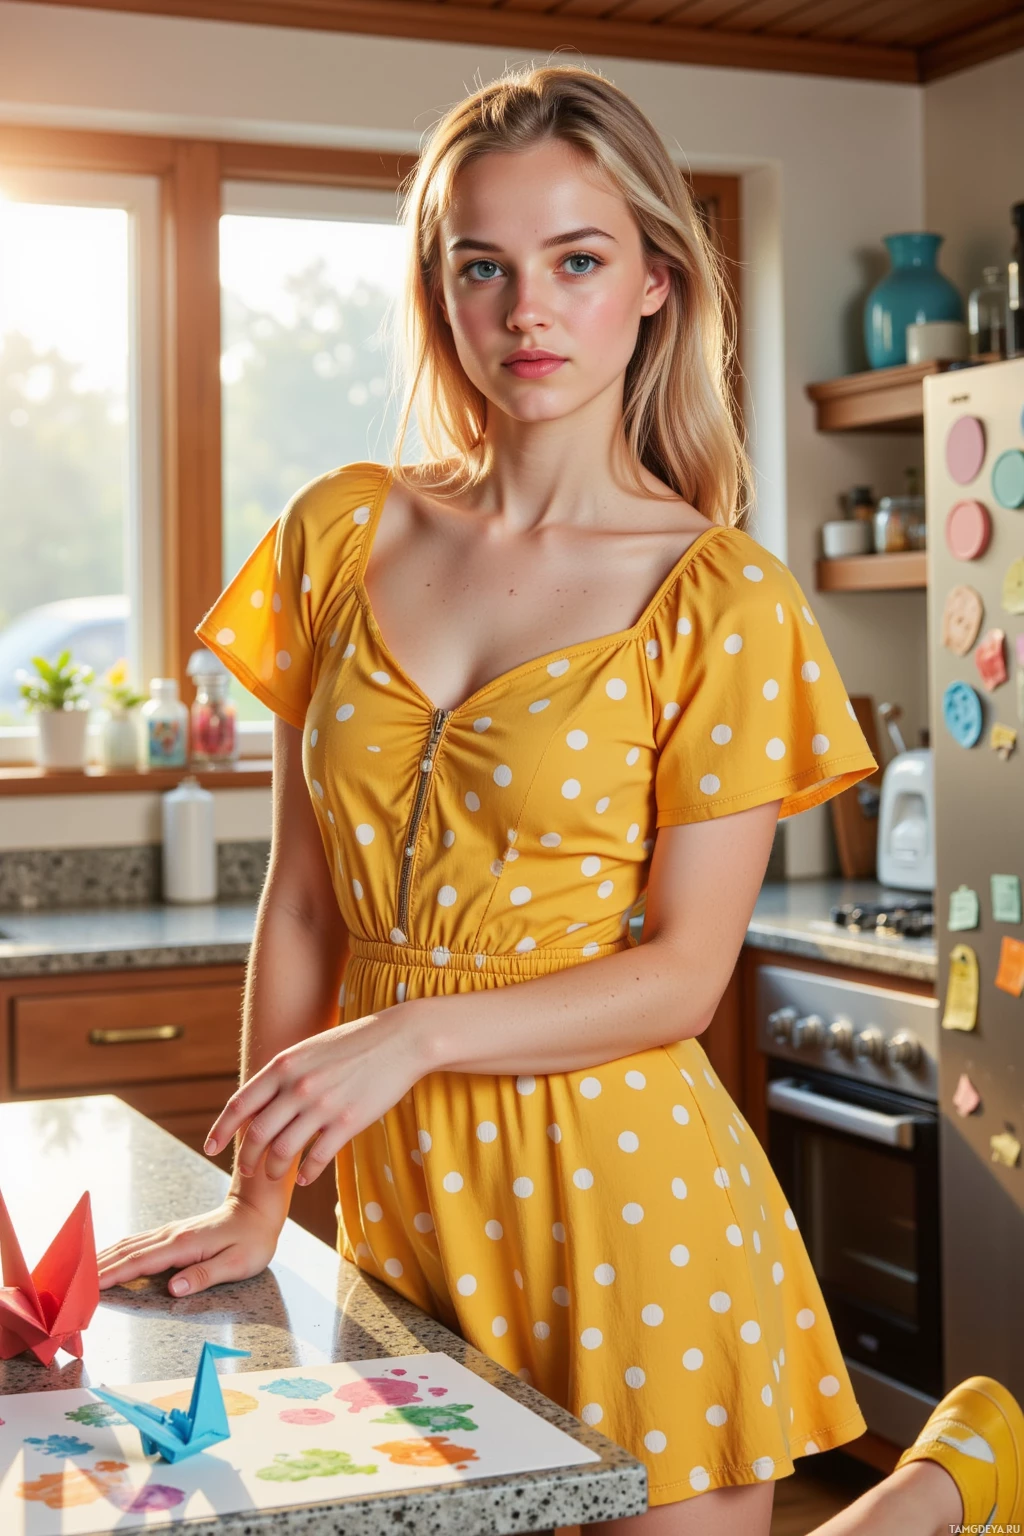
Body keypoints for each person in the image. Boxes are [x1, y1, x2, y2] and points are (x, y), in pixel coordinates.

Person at [96, 63, 1023, 1534]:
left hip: (629, 1194)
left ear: (656, 280)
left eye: (577, 262)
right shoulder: (340, 532)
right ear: (441, 289)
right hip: (402, 1205)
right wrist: (260, 1195)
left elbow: (680, 975)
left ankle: (935, 1495)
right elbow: (307, 896)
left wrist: (412, 1032)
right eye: (486, 267)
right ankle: (946, 1490)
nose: (529, 311)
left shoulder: (718, 597)